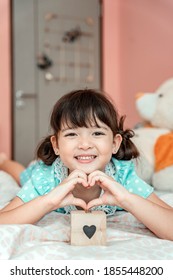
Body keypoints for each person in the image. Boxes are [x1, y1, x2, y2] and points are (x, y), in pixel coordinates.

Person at [0, 89, 173, 240]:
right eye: (72, 134)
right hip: (40, 168)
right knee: (22, 175)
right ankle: (4, 161)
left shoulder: (123, 177)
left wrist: (127, 199)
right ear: (56, 145)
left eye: (97, 133)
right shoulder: (45, 178)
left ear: (115, 143)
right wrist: (49, 201)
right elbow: (3, 220)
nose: (84, 144)